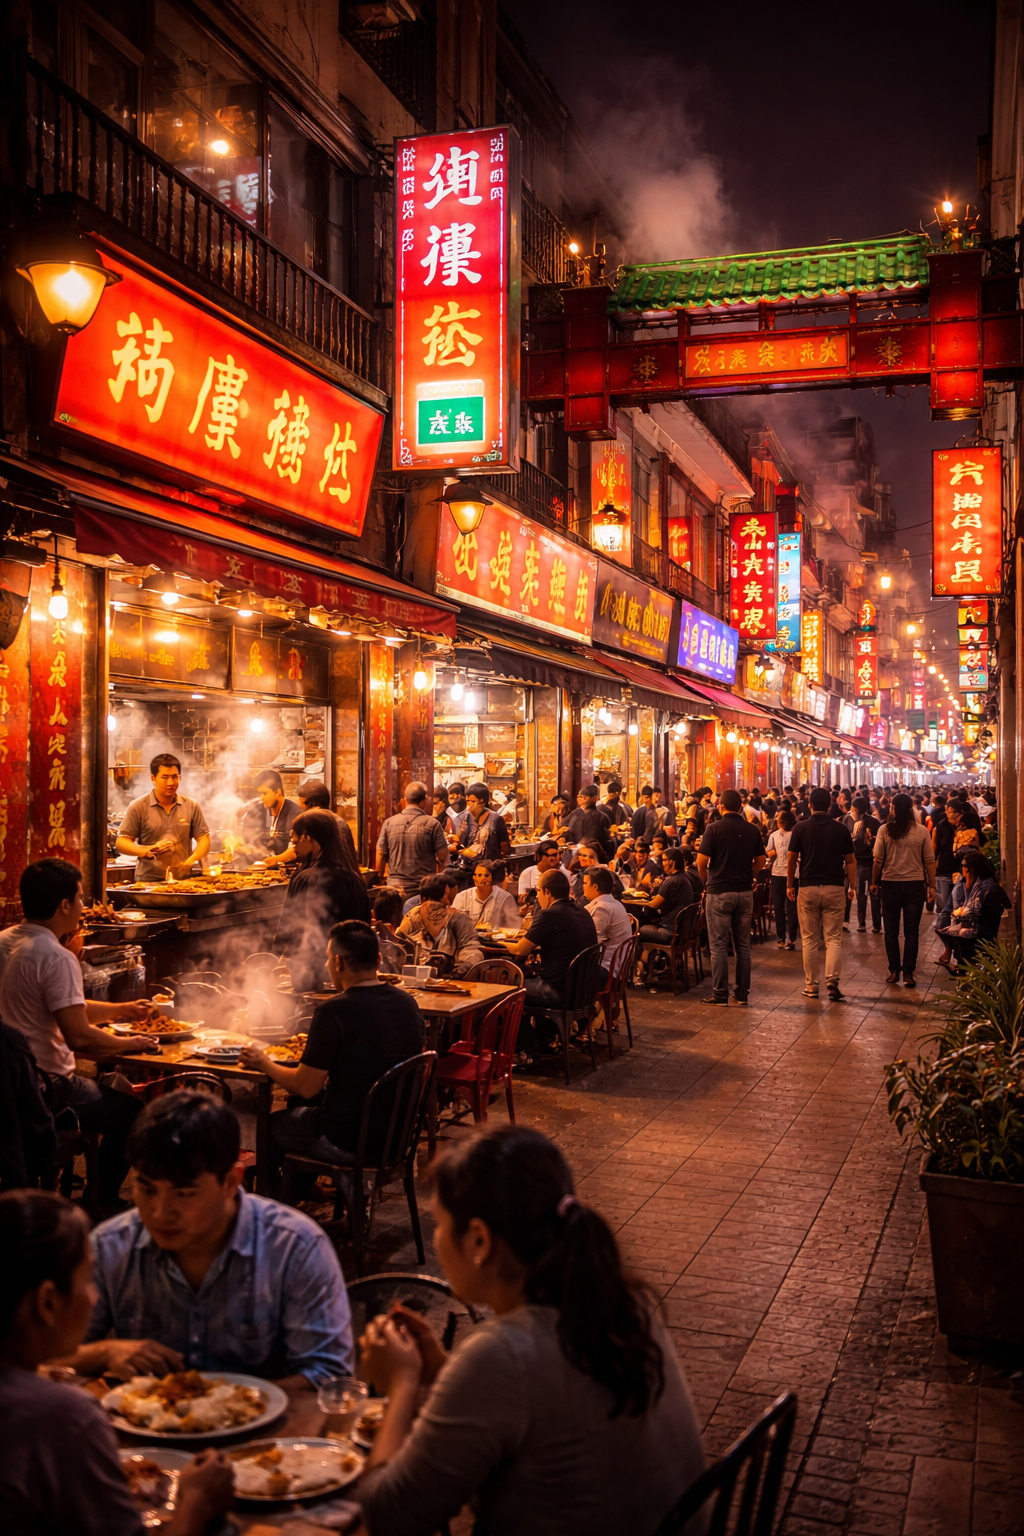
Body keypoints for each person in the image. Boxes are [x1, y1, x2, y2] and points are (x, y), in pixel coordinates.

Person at [357, 1124, 705, 1536]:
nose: (435, 1240)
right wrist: (442, 1372)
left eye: (439, 1223)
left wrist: (402, 1385)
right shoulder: (626, 1304)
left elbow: (390, 1520)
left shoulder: (501, 1354)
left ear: (479, 1240)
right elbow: (544, 1405)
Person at [71, 1090, 354, 1386]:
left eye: (184, 1194)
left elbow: (329, 1377)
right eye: (147, 1190)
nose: (160, 1213)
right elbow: (50, 1359)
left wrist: (227, 1403)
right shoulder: (110, 1245)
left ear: (231, 1181)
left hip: (272, 1417)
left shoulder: (294, 1246)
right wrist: (104, 1352)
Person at [0, 1189, 234, 1536]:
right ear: (47, 1302)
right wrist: (197, 1499)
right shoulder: (66, 1417)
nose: (94, 1297)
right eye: (87, 1279)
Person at [0, 860, 159, 1209]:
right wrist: (131, 1043)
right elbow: (80, 1038)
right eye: (81, 898)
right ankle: (99, 1203)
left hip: (7, 1083)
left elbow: (64, 1008)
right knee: (133, 1113)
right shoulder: (55, 956)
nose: (84, 906)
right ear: (64, 905)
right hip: (46, 1089)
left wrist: (120, 1010)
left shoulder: (5, 942)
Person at [244, 921, 426, 1167]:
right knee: (303, 1105)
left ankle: (283, 1191)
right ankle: (304, 1185)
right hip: (396, 1140)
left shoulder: (333, 1010)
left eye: (328, 959)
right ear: (379, 959)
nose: (326, 965)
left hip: (348, 1140)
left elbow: (305, 1086)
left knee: (272, 1125)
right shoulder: (408, 1002)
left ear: (338, 962)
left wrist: (262, 1062)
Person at [275, 809, 371, 993]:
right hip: (353, 976)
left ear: (307, 838)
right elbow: (365, 926)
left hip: (311, 978)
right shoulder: (354, 878)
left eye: (295, 841)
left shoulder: (305, 877)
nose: (293, 848)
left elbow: (286, 932)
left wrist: (278, 958)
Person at [504, 869, 598, 1056]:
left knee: (505, 991)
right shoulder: (582, 911)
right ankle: (544, 1040)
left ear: (547, 892)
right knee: (528, 976)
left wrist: (497, 943)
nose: (537, 895)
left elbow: (521, 950)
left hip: (558, 992)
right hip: (583, 992)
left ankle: (526, 1047)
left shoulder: (550, 914)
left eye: (538, 891)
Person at [696, 789, 766, 1006]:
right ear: (740, 807)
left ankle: (720, 994)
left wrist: (706, 881)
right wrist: (749, 873)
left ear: (721, 806)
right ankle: (742, 993)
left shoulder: (713, 829)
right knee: (743, 945)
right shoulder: (752, 830)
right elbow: (761, 861)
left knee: (718, 945)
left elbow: (701, 861)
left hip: (719, 892)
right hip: (744, 892)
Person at [787, 786, 856, 1003]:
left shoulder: (800, 828)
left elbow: (791, 857)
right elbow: (851, 861)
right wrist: (852, 885)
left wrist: (789, 884)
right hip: (835, 887)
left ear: (810, 805)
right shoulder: (841, 829)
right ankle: (832, 981)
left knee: (809, 939)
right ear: (829, 805)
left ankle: (811, 985)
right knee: (834, 937)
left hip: (808, 887)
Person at [870, 793, 937, 988]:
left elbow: (878, 860)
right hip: (914, 886)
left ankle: (893, 971)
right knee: (912, 931)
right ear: (910, 809)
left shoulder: (884, 830)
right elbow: (929, 861)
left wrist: (874, 882)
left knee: (890, 931)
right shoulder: (921, 831)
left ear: (892, 808)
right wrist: (932, 885)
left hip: (890, 885)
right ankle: (908, 973)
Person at [115, 752, 210, 880]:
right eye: (165, 777)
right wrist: (146, 850)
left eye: (175, 777)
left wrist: (191, 860)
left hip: (183, 882)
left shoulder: (191, 805)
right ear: (153, 778)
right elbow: (122, 842)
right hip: (148, 881)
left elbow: (204, 839)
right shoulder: (138, 806)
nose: (170, 782)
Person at [935, 850, 1011, 974]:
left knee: (953, 931)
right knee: (949, 928)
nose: (961, 869)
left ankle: (961, 966)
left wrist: (959, 913)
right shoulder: (985, 882)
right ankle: (959, 962)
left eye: (963, 866)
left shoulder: (983, 886)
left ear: (970, 869)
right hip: (984, 925)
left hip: (984, 928)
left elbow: (972, 912)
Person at [265, 779, 359, 871]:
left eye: (301, 801)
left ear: (306, 802)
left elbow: (295, 851)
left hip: (328, 876)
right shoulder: (339, 820)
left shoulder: (314, 823)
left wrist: (274, 859)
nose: (300, 805)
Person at [376, 782, 450, 898]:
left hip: (395, 890)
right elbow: (442, 856)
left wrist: (380, 877)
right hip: (423, 891)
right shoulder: (433, 824)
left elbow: (380, 853)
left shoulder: (388, 823)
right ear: (423, 801)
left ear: (405, 800)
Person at [399, 878, 485, 976]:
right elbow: (472, 948)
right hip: (426, 977)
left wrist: (462, 968)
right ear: (445, 896)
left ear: (422, 898)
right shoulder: (413, 917)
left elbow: (397, 945)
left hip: (445, 977)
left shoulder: (412, 916)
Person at [637, 848, 697, 976]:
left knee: (637, 930)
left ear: (672, 863)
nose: (662, 864)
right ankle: (652, 967)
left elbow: (654, 904)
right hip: (682, 932)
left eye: (664, 860)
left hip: (669, 932)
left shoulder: (672, 880)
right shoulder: (684, 878)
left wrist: (636, 901)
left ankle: (640, 970)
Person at [237, 769, 301, 864]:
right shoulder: (257, 811)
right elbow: (244, 839)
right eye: (260, 794)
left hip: (287, 868)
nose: (262, 798)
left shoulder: (294, 813)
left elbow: (295, 850)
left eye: (265, 793)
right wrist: (244, 848)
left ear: (278, 792)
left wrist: (273, 860)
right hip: (260, 867)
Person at [582, 867, 633, 973]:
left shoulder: (602, 908)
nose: (583, 886)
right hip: (617, 966)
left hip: (607, 968)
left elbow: (593, 943)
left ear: (595, 887)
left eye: (585, 883)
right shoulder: (616, 903)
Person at [453, 861, 521, 930]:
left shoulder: (505, 898)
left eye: (486, 875)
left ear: (493, 878)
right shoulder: (462, 897)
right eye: (478, 875)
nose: (482, 878)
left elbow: (514, 927)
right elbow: (453, 925)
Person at [766, 808, 798, 950]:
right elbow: (769, 851)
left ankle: (790, 938)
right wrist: (772, 853)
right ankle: (783, 937)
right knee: (780, 907)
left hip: (789, 874)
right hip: (778, 873)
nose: (778, 822)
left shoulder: (793, 834)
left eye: (779, 820)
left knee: (789, 908)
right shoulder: (774, 835)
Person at [459, 784, 512, 864]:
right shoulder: (467, 818)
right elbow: (462, 843)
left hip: (489, 866)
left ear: (481, 801)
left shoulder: (496, 819)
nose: (469, 805)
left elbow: (505, 848)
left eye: (473, 801)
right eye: (467, 801)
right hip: (467, 865)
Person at [851, 797, 881, 934]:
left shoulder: (856, 824)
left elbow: (853, 844)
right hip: (874, 862)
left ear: (857, 809)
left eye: (853, 809)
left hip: (860, 862)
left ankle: (861, 923)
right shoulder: (876, 822)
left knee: (861, 894)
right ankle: (876, 924)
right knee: (874, 893)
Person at [560, 787, 613, 857]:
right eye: (578, 797)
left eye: (582, 797)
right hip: (572, 850)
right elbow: (562, 827)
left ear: (593, 798)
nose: (579, 799)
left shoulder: (602, 817)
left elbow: (606, 839)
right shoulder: (575, 813)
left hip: (593, 853)